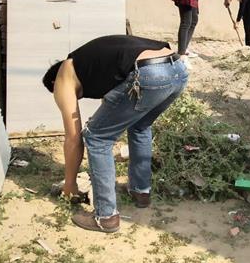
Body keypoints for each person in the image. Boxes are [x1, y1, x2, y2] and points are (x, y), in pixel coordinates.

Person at [42, 35, 188, 233]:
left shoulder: (63, 75)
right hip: (177, 68)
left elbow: (73, 137)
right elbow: (116, 105)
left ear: (53, 81)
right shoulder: (93, 64)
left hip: (148, 72)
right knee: (140, 126)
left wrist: (70, 184)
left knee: (96, 137)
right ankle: (140, 191)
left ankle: (106, 216)